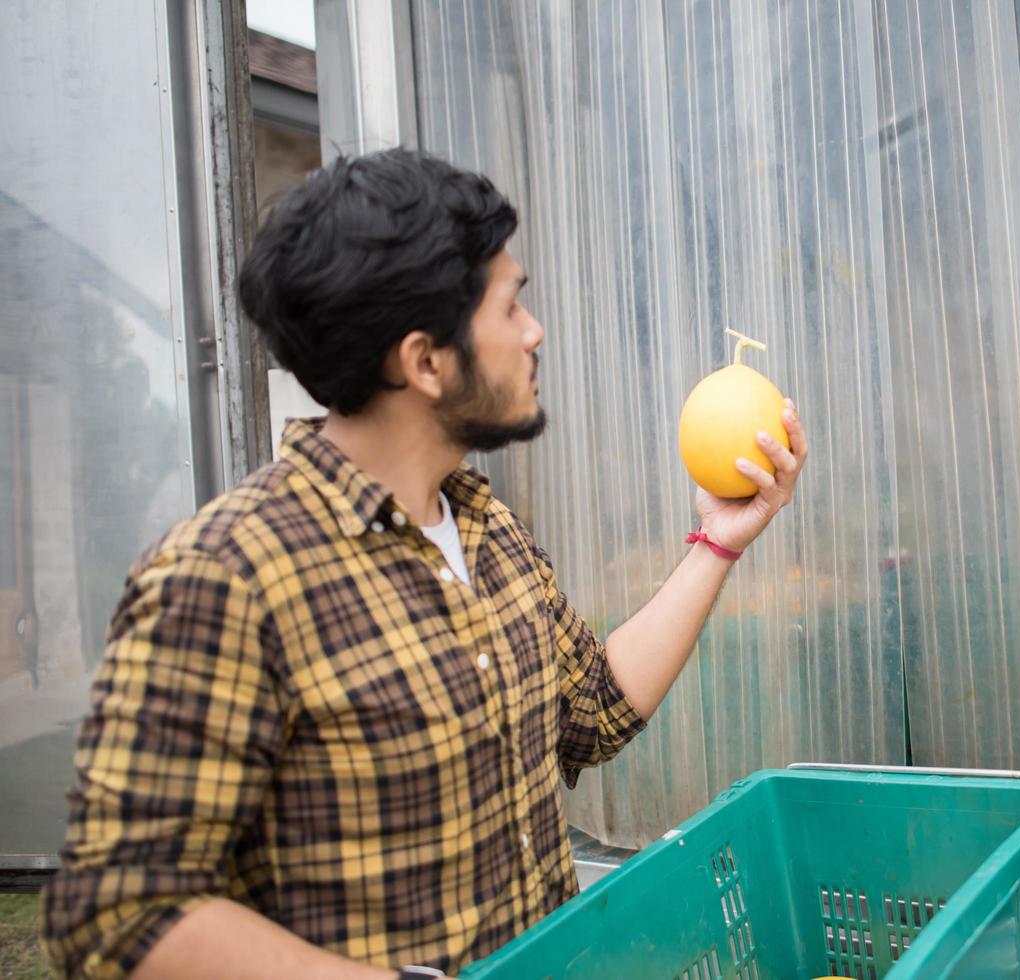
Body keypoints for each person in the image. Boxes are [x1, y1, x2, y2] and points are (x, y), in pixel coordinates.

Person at [41, 148, 807, 979]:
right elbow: (121, 912)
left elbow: (587, 711)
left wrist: (717, 544)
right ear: (425, 362)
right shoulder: (227, 577)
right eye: (510, 307)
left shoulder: (483, 526)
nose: (533, 331)